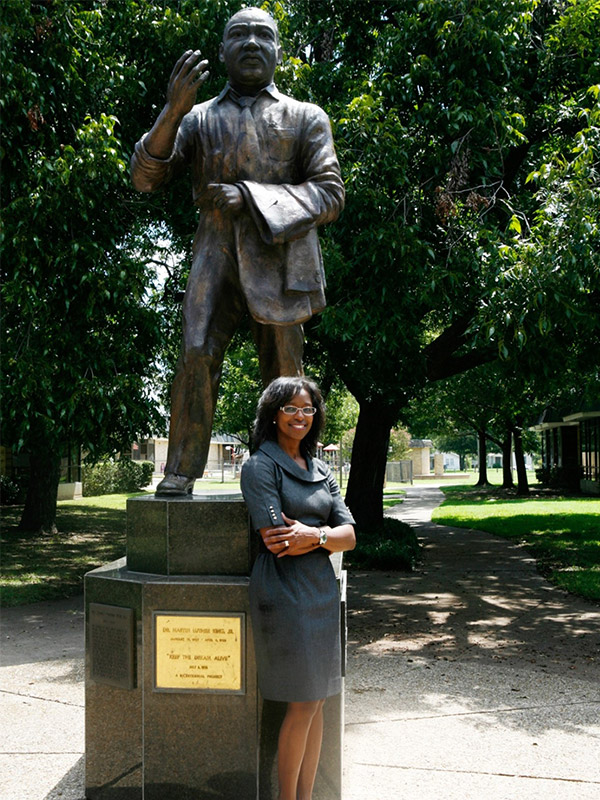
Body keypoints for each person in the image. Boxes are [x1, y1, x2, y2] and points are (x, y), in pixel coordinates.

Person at [130, 7, 344, 495]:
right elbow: (145, 177)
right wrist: (172, 111)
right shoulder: (199, 117)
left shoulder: (305, 117)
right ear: (223, 51)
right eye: (238, 36)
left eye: (262, 35)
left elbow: (330, 194)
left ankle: (293, 471)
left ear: (278, 51)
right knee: (194, 353)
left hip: (282, 258)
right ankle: (180, 472)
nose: (251, 43)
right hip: (214, 252)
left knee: (287, 377)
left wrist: (249, 196)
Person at [241, 376, 356, 800]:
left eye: (307, 409)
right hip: (284, 593)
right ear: (273, 414)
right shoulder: (259, 466)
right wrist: (323, 535)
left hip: (322, 591)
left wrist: (317, 536)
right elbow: (277, 539)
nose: (300, 417)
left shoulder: (322, 469)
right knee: (302, 702)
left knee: (321, 698)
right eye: (290, 408)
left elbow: (351, 535)